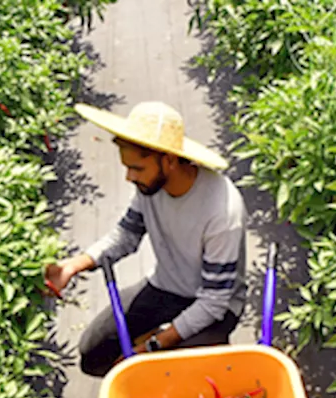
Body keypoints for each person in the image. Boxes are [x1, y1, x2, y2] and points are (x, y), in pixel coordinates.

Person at [45, 101, 249, 377]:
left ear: (169, 160)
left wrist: (154, 346)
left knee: (169, 374)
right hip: (165, 287)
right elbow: (125, 236)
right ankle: (163, 337)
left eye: (137, 168)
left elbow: (213, 301)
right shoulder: (151, 187)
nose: (129, 177)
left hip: (215, 306)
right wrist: (73, 266)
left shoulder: (222, 211)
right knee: (93, 354)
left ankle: (203, 348)